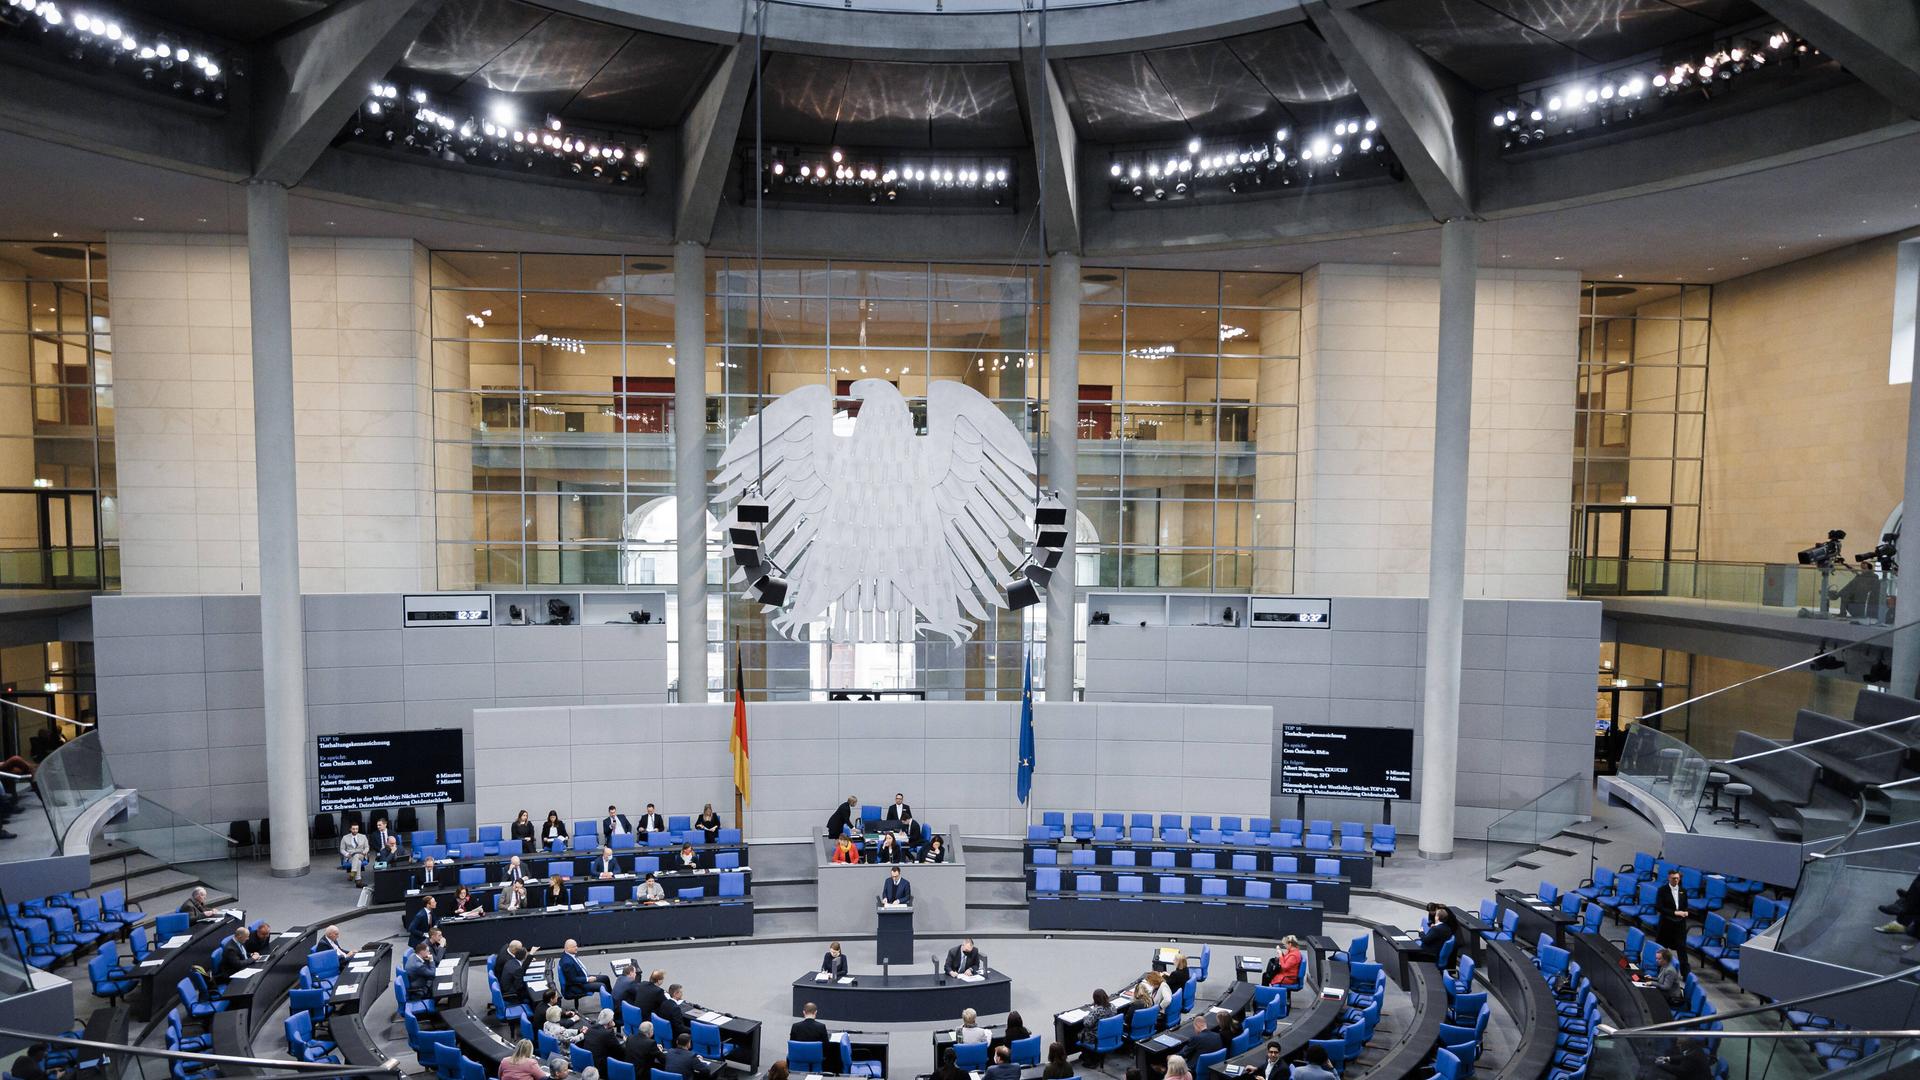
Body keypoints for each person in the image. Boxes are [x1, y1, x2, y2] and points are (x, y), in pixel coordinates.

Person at [1655, 869, 1692, 977]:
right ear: (1669, 878)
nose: (1675, 880)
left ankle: (1686, 975)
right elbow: (1659, 907)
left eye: (1677, 878)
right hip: (1666, 924)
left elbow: (1685, 905)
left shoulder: (1683, 891)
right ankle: (1658, 972)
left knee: (1682, 949)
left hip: (1679, 924)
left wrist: (1685, 913)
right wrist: (1675, 913)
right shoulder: (1662, 890)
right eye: (1673, 878)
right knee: (1662, 950)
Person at [790, 1001, 839, 1072]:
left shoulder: (795, 1026)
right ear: (816, 1012)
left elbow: (792, 1046)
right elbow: (826, 1047)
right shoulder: (821, 1027)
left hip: (799, 1057)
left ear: (804, 1012)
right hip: (816, 1059)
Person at [1079, 989, 1118, 1065]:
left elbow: (1087, 1024)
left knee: (1079, 1034)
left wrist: (1085, 1017)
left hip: (1096, 1038)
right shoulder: (1113, 1006)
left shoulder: (1096, 1011)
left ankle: (1090, 1060)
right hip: (1109, 1034)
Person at [579, 1009, 623, 1073]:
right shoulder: (608, 1033)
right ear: (610, 1022)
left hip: (589, 1062)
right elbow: (619, 1051)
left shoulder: (590, 1028)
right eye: (612, 1019)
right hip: (600, 1066)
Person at [499, 943, 533, 1008]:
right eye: (527, 954)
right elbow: (519, 986)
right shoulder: (518, 969)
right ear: (524, 957)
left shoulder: (510, 961)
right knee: (531, 993)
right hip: (511, 993)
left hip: (505, 987)